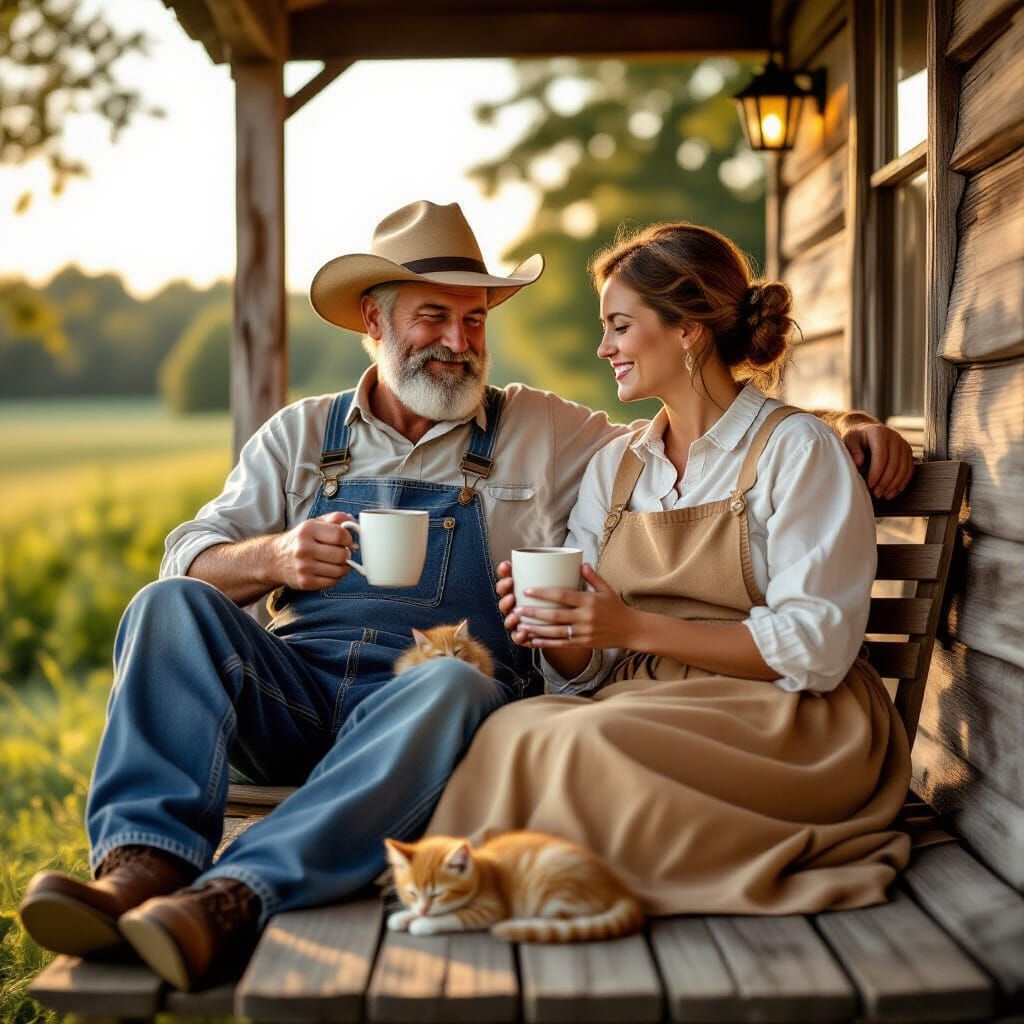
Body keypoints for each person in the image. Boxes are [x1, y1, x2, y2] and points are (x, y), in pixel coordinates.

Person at [19, 202, 912, 989]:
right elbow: (191, 556)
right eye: (434, 316)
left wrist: (843, 427)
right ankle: (139, 867)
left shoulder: (544, 428)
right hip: (298, 692)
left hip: (439, 700)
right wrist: (276, 556)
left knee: (449, 677)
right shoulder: (299, 435)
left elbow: (703, 419)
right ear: (374, 319)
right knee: (163, 603)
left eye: (475, 320)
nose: (458, 340)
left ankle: (233, 894)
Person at [427, 221, 913, 915]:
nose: (604, 349)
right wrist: (562, 629)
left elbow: (817, 650)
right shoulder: (616, 466)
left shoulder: (795, 450)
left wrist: (633, 625)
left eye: (620, 327)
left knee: (589, 739)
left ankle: (546, 891)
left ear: (688, 330)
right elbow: (589, 671)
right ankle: (482, 893)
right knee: (515, 726)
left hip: (788, 717)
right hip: (655, 700)